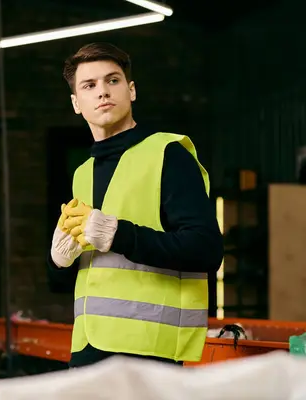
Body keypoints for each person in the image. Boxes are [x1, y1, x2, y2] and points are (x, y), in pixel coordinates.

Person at [47, 42, 224, 368]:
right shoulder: (82, 174)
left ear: (131, 90)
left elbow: (206, 250)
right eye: (89, 85)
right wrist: (59, 262)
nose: (103, 92)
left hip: (148, 354)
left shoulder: (168, 155)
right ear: (76, 103)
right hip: (87, 348)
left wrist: (119, 234)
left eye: (112, 81)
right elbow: (95, 275)